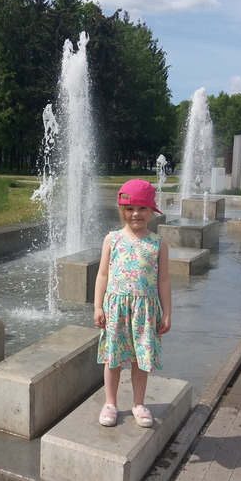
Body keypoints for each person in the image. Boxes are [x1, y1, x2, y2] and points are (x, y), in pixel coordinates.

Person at [93, 179, 172, 428]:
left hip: (145, 311)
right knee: (113, 358)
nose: (135, 214)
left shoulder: (158, 243)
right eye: (129, 208)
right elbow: (102, 274)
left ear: (151, 211)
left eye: (142, 208)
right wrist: (97, 306)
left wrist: (167, 313)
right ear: (121, 210)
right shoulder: (112, 239)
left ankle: (138, 403)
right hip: (116, 309)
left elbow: (163, 280)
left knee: (140, 359)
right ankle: (110, 403)